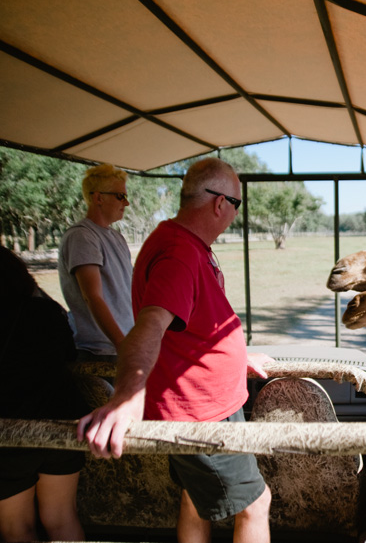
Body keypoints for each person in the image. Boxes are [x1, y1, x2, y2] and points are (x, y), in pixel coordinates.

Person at [78, 158, 273, 543]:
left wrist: (234, 356)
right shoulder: (179, 253)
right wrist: (126, 396)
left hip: (196, 402)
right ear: (220, 204)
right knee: (256, 503)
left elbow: (191, 322)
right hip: (201, 413)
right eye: (237, 205)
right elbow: (149, 327)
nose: (235, 214)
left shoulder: (180, 242)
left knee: (194, 498)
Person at [0, 246, 90, 542]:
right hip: (61, 424)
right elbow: (70, 353)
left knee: (17, 527)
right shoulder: (47, 311)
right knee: (62, 519)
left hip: (9, 432)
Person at [58, 164, 134, 362]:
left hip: (123, 345)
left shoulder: (117, 238)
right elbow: (92, 296)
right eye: (120, 196)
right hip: (101, 352)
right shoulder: (82, 236)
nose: (126, 203)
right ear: (98, 197)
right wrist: (121, 344)